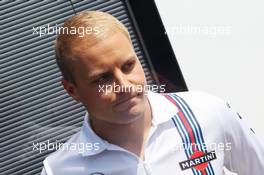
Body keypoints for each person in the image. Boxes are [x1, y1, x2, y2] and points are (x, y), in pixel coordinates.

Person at [41, 11, 264, 175]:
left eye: (128, 65)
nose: (125, 85)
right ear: (72, 90)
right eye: (103, 78)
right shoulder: (59, 169)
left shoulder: (207, 113)